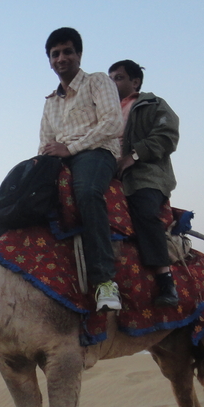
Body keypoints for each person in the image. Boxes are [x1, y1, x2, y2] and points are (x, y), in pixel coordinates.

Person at [39, 27, 124, 312]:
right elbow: (44, 142)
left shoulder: (97, 82)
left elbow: (113, 123)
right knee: (12, 196)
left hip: (96, 151)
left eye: (67, 52)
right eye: (55, 54)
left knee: (87, 193)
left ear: (78, 55)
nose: (61, 58)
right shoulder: (50, 102)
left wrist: (71, 149)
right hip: (59, 158)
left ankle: (105, 282)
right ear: (49, 61)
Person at [108, 60, 180, 307]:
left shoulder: (152, 105)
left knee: (144, 212)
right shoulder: (105, 112)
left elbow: (167, 136)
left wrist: (134, 156)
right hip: (110, 176)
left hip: (145, 174)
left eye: (118, 78)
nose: (112, 83)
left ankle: (165, 281)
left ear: (135, 82)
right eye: (110, 79)